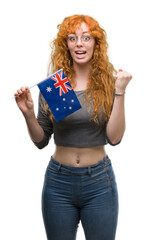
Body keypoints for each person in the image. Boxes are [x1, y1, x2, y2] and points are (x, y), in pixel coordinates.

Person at [14, 14, 132, 240]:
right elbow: (41, 141)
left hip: (98, 182)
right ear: (65, 45)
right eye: (72, 38)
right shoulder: (56, 86)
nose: (79, 43)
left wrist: (120, 91)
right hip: (58, 182)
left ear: (96, 43)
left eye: (86, 38)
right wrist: (28, 114)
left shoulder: (109, 84)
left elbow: (114, 139)